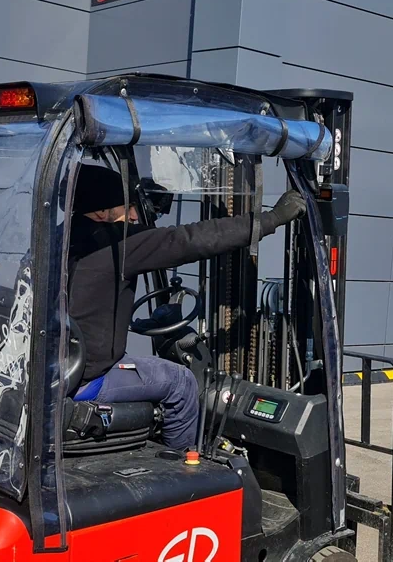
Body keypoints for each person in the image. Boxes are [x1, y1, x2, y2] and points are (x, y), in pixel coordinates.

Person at [67, 163, 307, 450]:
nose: (133, 216)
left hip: (62, 369)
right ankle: (183, 462)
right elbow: (189, 240)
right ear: (100, 213)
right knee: (180, 381)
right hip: (90, 377)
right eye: (126, 208)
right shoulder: (115, 244)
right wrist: (272, 219)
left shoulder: (61, 239)